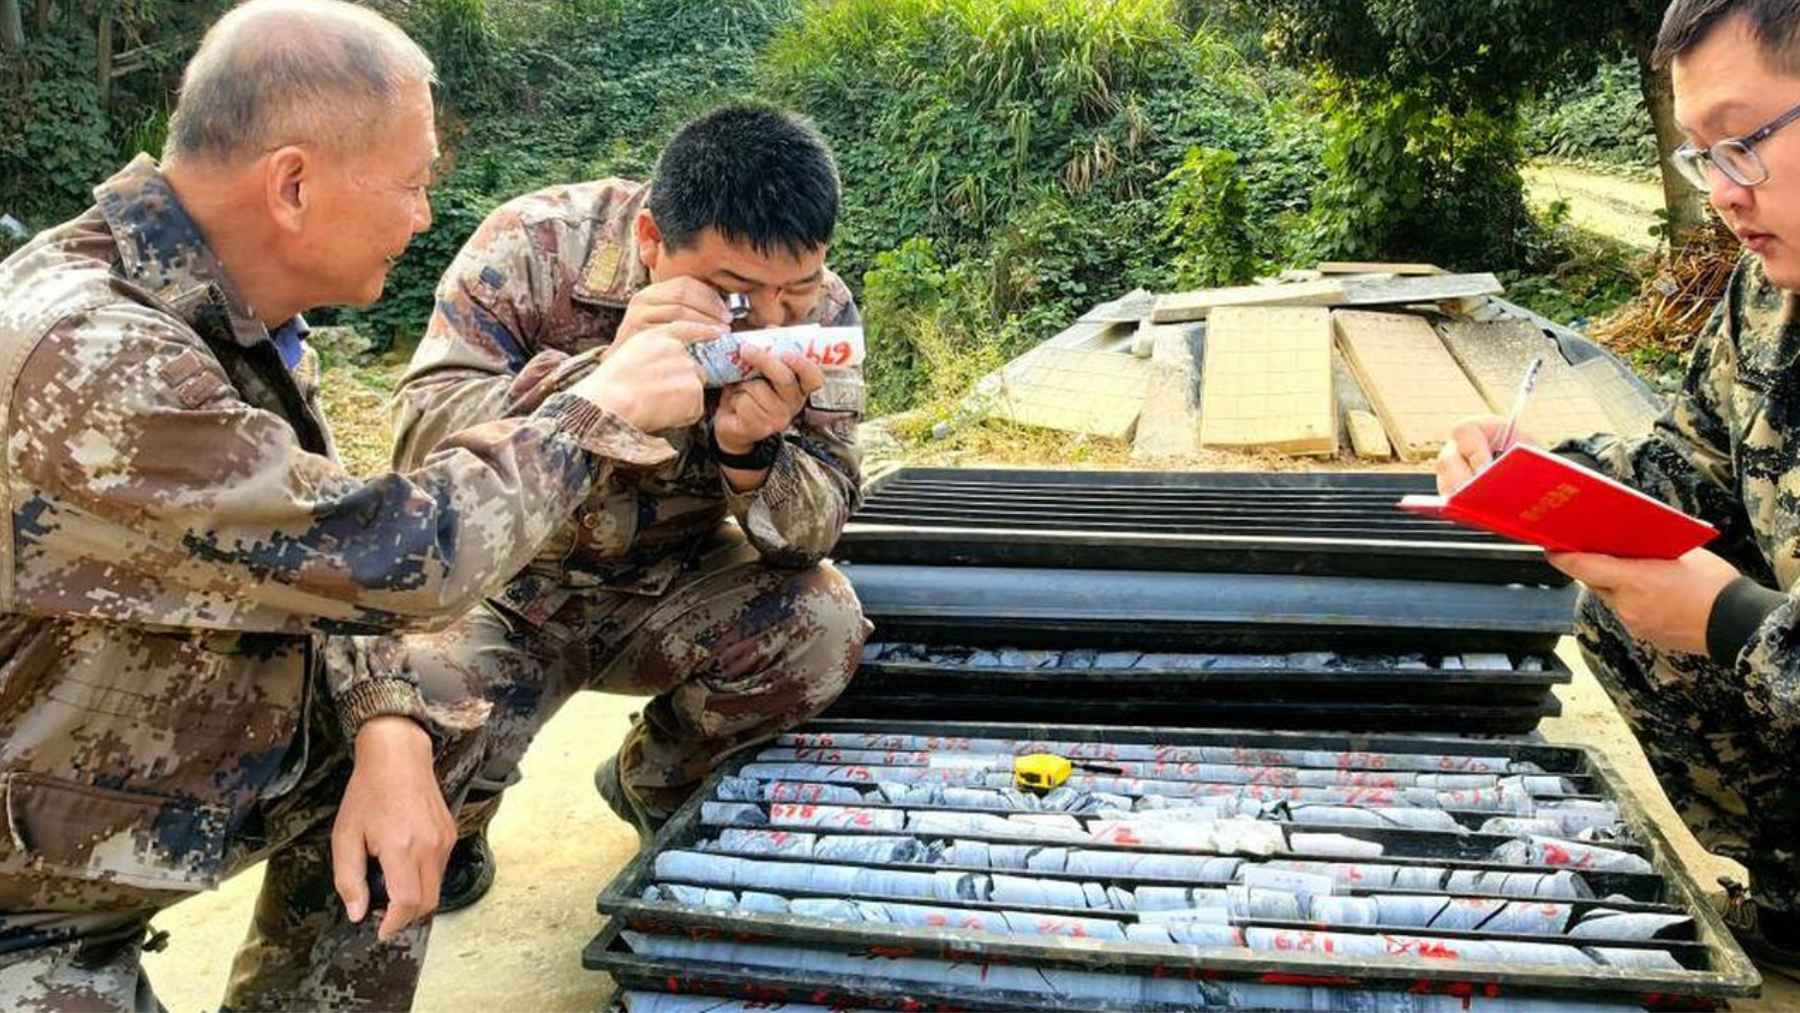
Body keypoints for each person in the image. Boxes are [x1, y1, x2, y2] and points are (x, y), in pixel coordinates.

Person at [0, 1, 715, 1007]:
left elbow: (316, 561)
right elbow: (392, 555)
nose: (425, 216)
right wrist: (597, 408)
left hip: (94, 809)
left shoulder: (227, 316)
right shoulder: (93, 356)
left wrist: (387, 725)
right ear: (292, 183)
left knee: (434, 712)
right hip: (25, 902)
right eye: (415, 183)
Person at [390, 103, 871, 910]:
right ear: (651, 241)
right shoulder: (533, 246)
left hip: (672, 583)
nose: (774, 318)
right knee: (409, 700)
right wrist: (600, 381)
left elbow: (817, 527)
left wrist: (753, 458)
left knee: (822, 624)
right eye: (737, 295)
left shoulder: (821, 311)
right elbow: (418, 453)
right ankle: (460, 819)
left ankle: (654, 777)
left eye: (798, 290)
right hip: (508, 584)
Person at [1437, 0, 1800, 974]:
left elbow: (1737, 611)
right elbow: (1698, 467)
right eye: (1701, 156)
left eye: (1742, 143)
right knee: (1620, 578)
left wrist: (1734, 620)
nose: (1723, 194)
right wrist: (1547, 476)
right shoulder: (1770, 295)